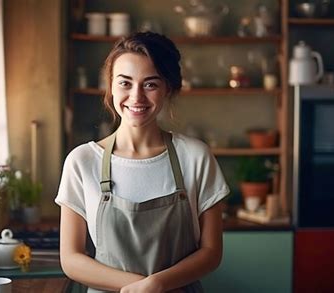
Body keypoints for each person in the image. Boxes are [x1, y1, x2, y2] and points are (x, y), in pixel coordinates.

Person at [55, 31, 229, 293]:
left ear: (167, 88)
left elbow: (211, 252)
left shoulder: (195, 157)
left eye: (150, 84)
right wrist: (141, 287)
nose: (136, 97)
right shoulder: (82, 162)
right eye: (125, 83)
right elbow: (71, 260)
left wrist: (158, 284)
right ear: (110, 86)